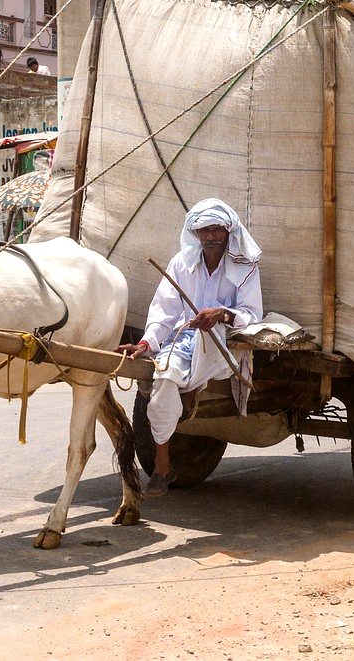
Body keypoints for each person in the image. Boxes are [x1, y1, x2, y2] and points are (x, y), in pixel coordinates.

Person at [117, 199, 263, 497]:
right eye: (204, 230)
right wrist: (147, 343)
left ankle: (161, 459)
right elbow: (164, 312)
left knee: (199, 352)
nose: (210, 236)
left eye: (216, 230)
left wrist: (221, 314)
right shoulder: (181, 263)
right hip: (182, 342)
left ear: (227, 231)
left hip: (224, 343)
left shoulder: (244, 265)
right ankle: (163, 463)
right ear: (196, 233)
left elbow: (251, 315)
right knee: (163, 380)